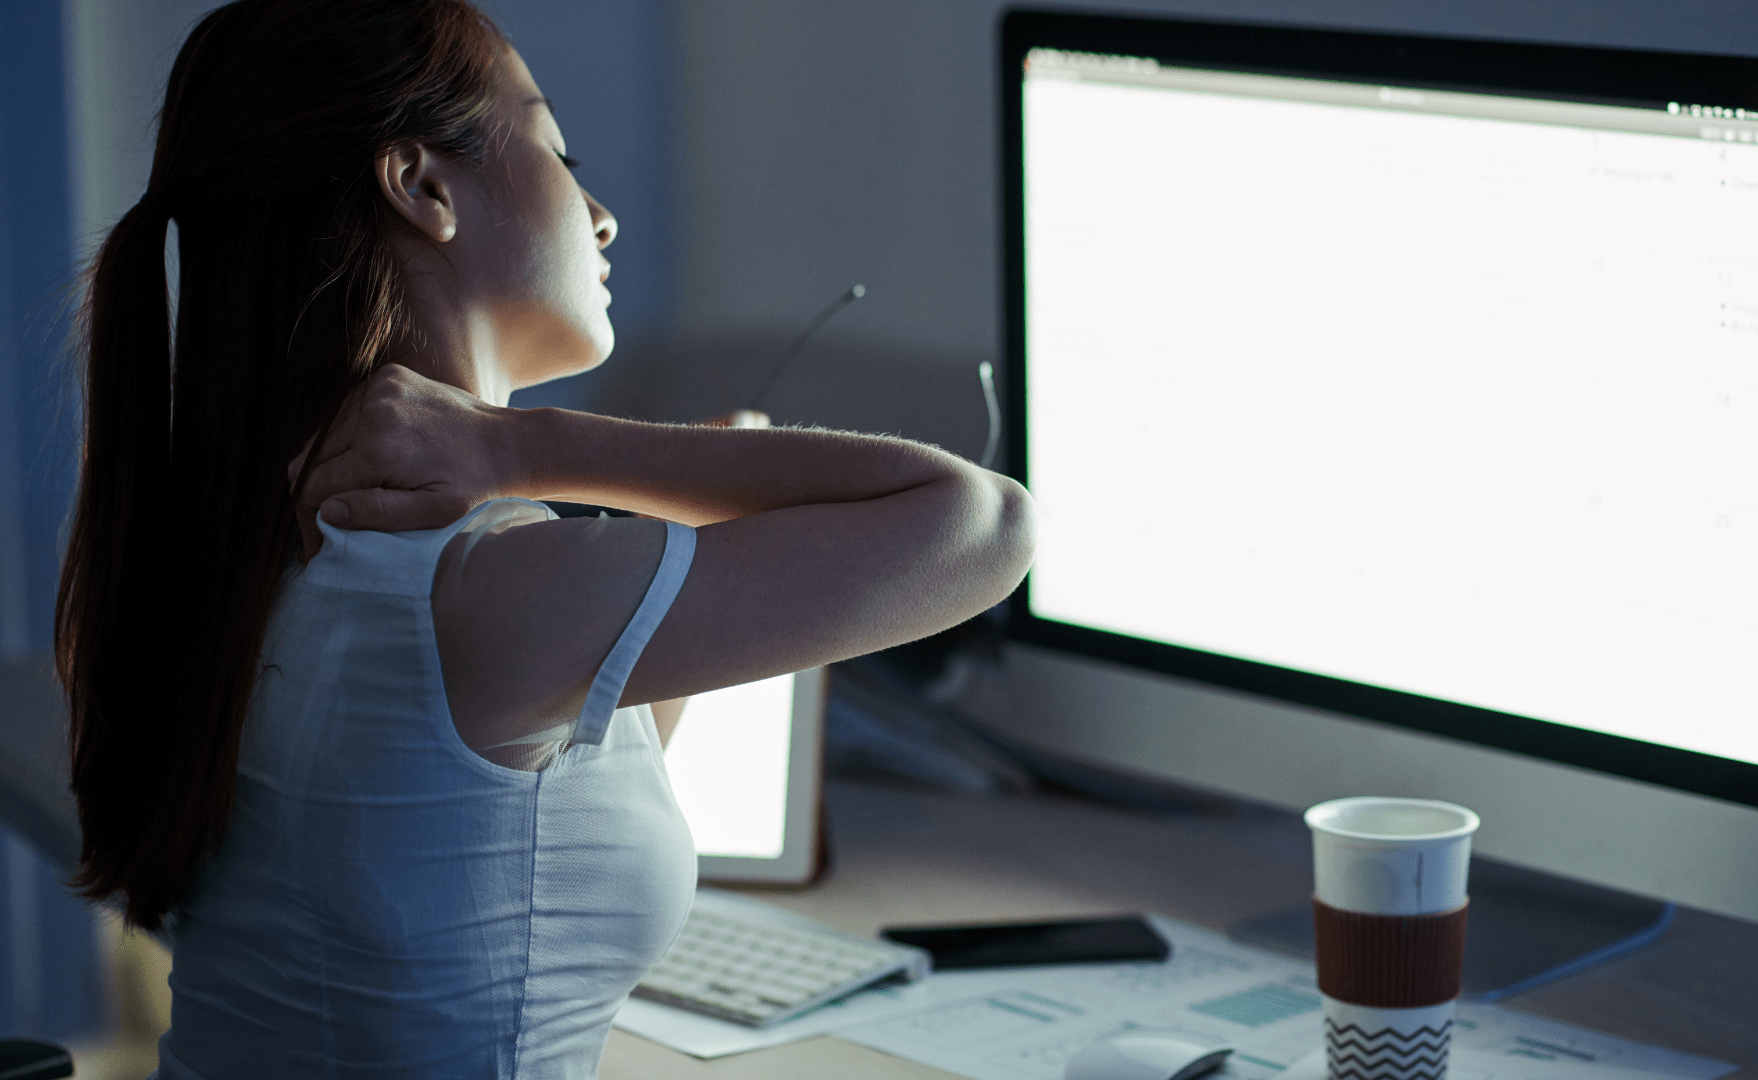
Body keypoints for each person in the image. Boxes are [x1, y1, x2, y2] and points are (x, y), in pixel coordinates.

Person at [54, 2, 1034, 1076]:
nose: (601, 215)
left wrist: (650, 503)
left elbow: (525, 829)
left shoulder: (252, 546)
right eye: (561, 152)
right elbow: (987, 525)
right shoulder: (488, 582)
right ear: (424, 188)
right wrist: (527, 448)